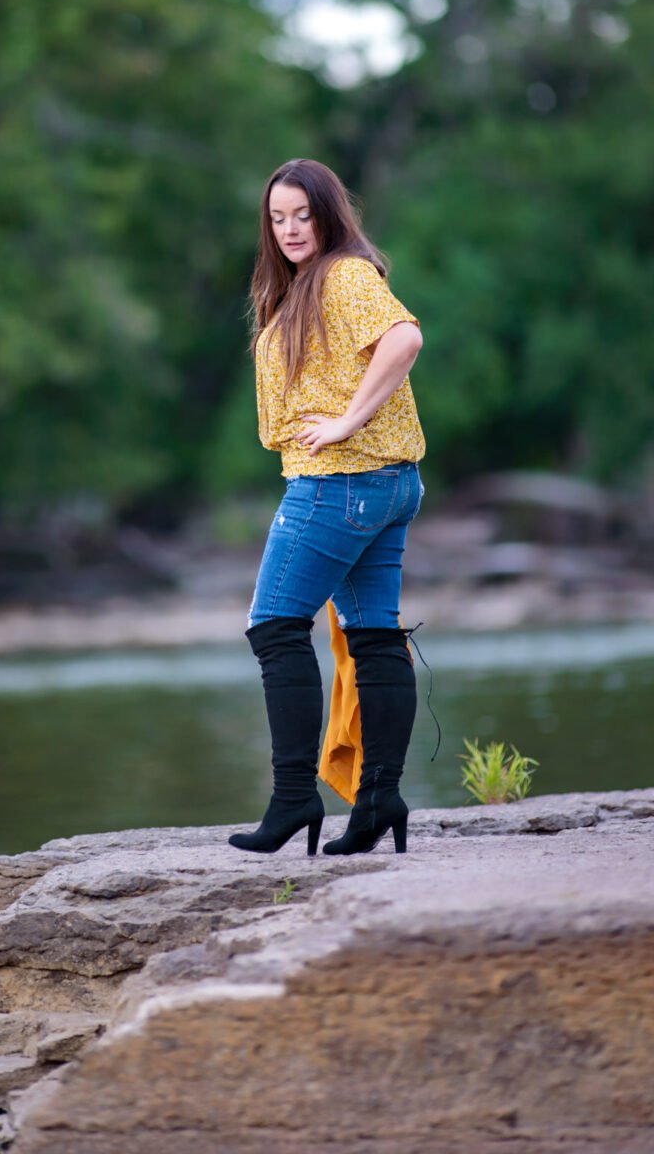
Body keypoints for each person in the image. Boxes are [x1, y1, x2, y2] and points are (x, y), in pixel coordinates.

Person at [229, 157, 425, 857]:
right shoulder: (306, 284)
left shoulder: (342, 275)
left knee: (274, 627)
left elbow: (404, 339)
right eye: (276, 218)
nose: (288, 229)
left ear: (328, 214)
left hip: (338, 483)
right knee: (373, 635)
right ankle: (377, 799)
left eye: (301, 215)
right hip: (386, 484)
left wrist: (344, 421)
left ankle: (292, 800)